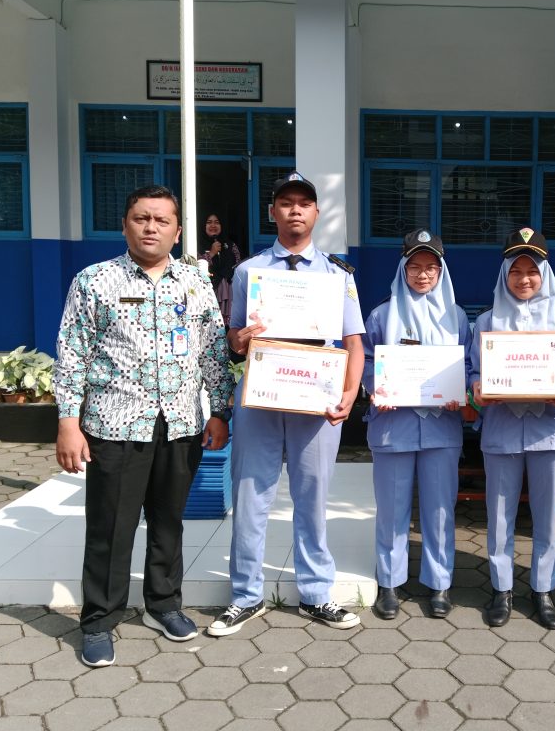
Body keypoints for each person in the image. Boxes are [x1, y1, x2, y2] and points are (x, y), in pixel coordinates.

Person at [53, 185, 234, 668]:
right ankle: (98, 620)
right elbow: (71, 354)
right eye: (141, 218)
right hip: (115, 425)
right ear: (125, 225)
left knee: (169, 522)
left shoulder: (195, 283)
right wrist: (68, 422)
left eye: (161, 220)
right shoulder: (94, 281)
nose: (151, 227)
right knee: (111, 528)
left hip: (180, 425)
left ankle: (164, 604)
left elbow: (213, 350)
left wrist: (220, 411)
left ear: (177, 230)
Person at [208, 171, 366, 635]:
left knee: (312, 498)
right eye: (286, 203)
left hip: (317, 399)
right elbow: (233, 340)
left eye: (304, 203)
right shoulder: (249, 271)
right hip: (261, 396)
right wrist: (240, 338)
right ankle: (245, 595)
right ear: (272, 212)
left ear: (317, 212)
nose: (295, 210)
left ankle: (316, 593)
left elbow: (354, 343)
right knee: (250, 496)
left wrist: (349, 395)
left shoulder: (337, 275)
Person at [469, 228, 555, 630]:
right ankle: (501, 588)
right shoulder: (486, 321)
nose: (524, 279)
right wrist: (477, 389)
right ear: (504, 274)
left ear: (545, 274)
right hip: (502, 429)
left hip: (550, 430)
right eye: (516, 271)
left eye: (532, 271)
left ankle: (543, 589)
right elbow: (473, 371)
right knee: (499, 515)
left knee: (548, 514)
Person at [361, 229, 470, 620]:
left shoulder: (456, 317)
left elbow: (469, 363)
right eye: (415, 266)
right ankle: (389, 583)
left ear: (441, 272)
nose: (423, 275)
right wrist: (376, 387)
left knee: (440, 509)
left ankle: (439, 583)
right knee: (392, 509)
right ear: (402, 269)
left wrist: (462, 390)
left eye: (431, 267)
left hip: (442, 427)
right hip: (394, 425)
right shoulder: (382, 314)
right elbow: (366, 360)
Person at [199, 213, 242, 326]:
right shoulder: (196, 245)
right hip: (207, 291)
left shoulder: (231, 245)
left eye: (217, 222)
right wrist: (212, 253)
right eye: (209, 222)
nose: (213, 225)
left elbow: (238, 266)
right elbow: (194, 267)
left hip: (228, 291)